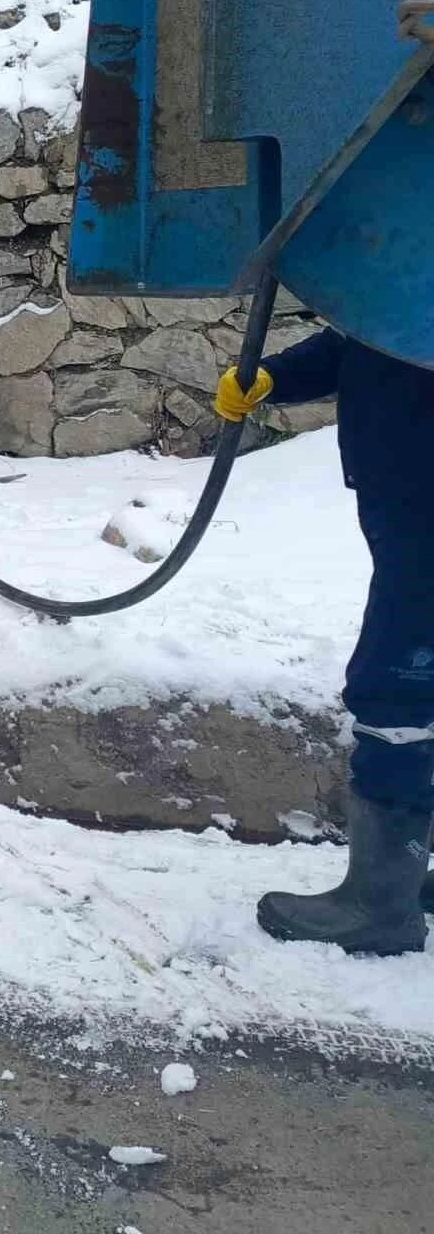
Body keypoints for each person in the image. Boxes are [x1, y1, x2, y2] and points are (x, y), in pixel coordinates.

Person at [216, 330, 434, 955]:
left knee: (397, 690)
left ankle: (382, 904)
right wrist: (273, 378)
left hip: (426, 510)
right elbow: (369, 333)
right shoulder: (411, 263)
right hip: (407, 498)